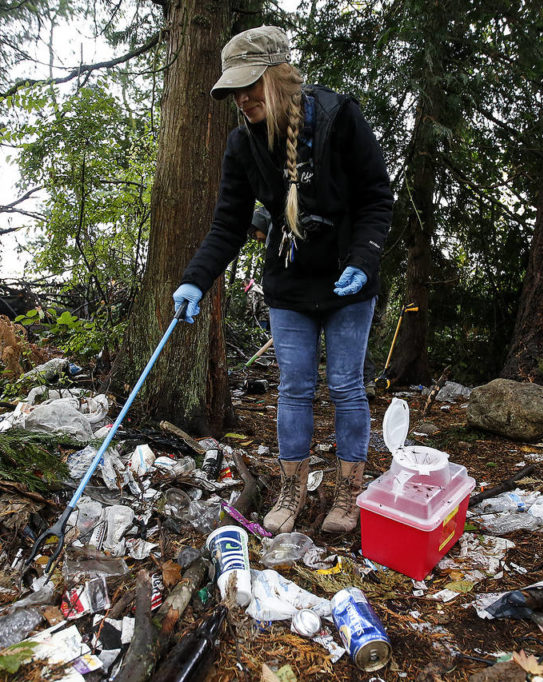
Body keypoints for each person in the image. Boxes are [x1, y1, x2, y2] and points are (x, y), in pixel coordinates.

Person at [172, 25, 393, 534]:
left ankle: (347, 492)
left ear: (278, 77)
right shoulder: (241, 145)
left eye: (250, 86)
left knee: (344, 386)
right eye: (234, 89)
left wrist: (363, 259)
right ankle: (293, 491)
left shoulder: (339, 118)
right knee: (294, 385)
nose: (242, 99)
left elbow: (376, 198)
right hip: (289, 281)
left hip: (347, 278)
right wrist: (195, 281)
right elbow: (228, 225)